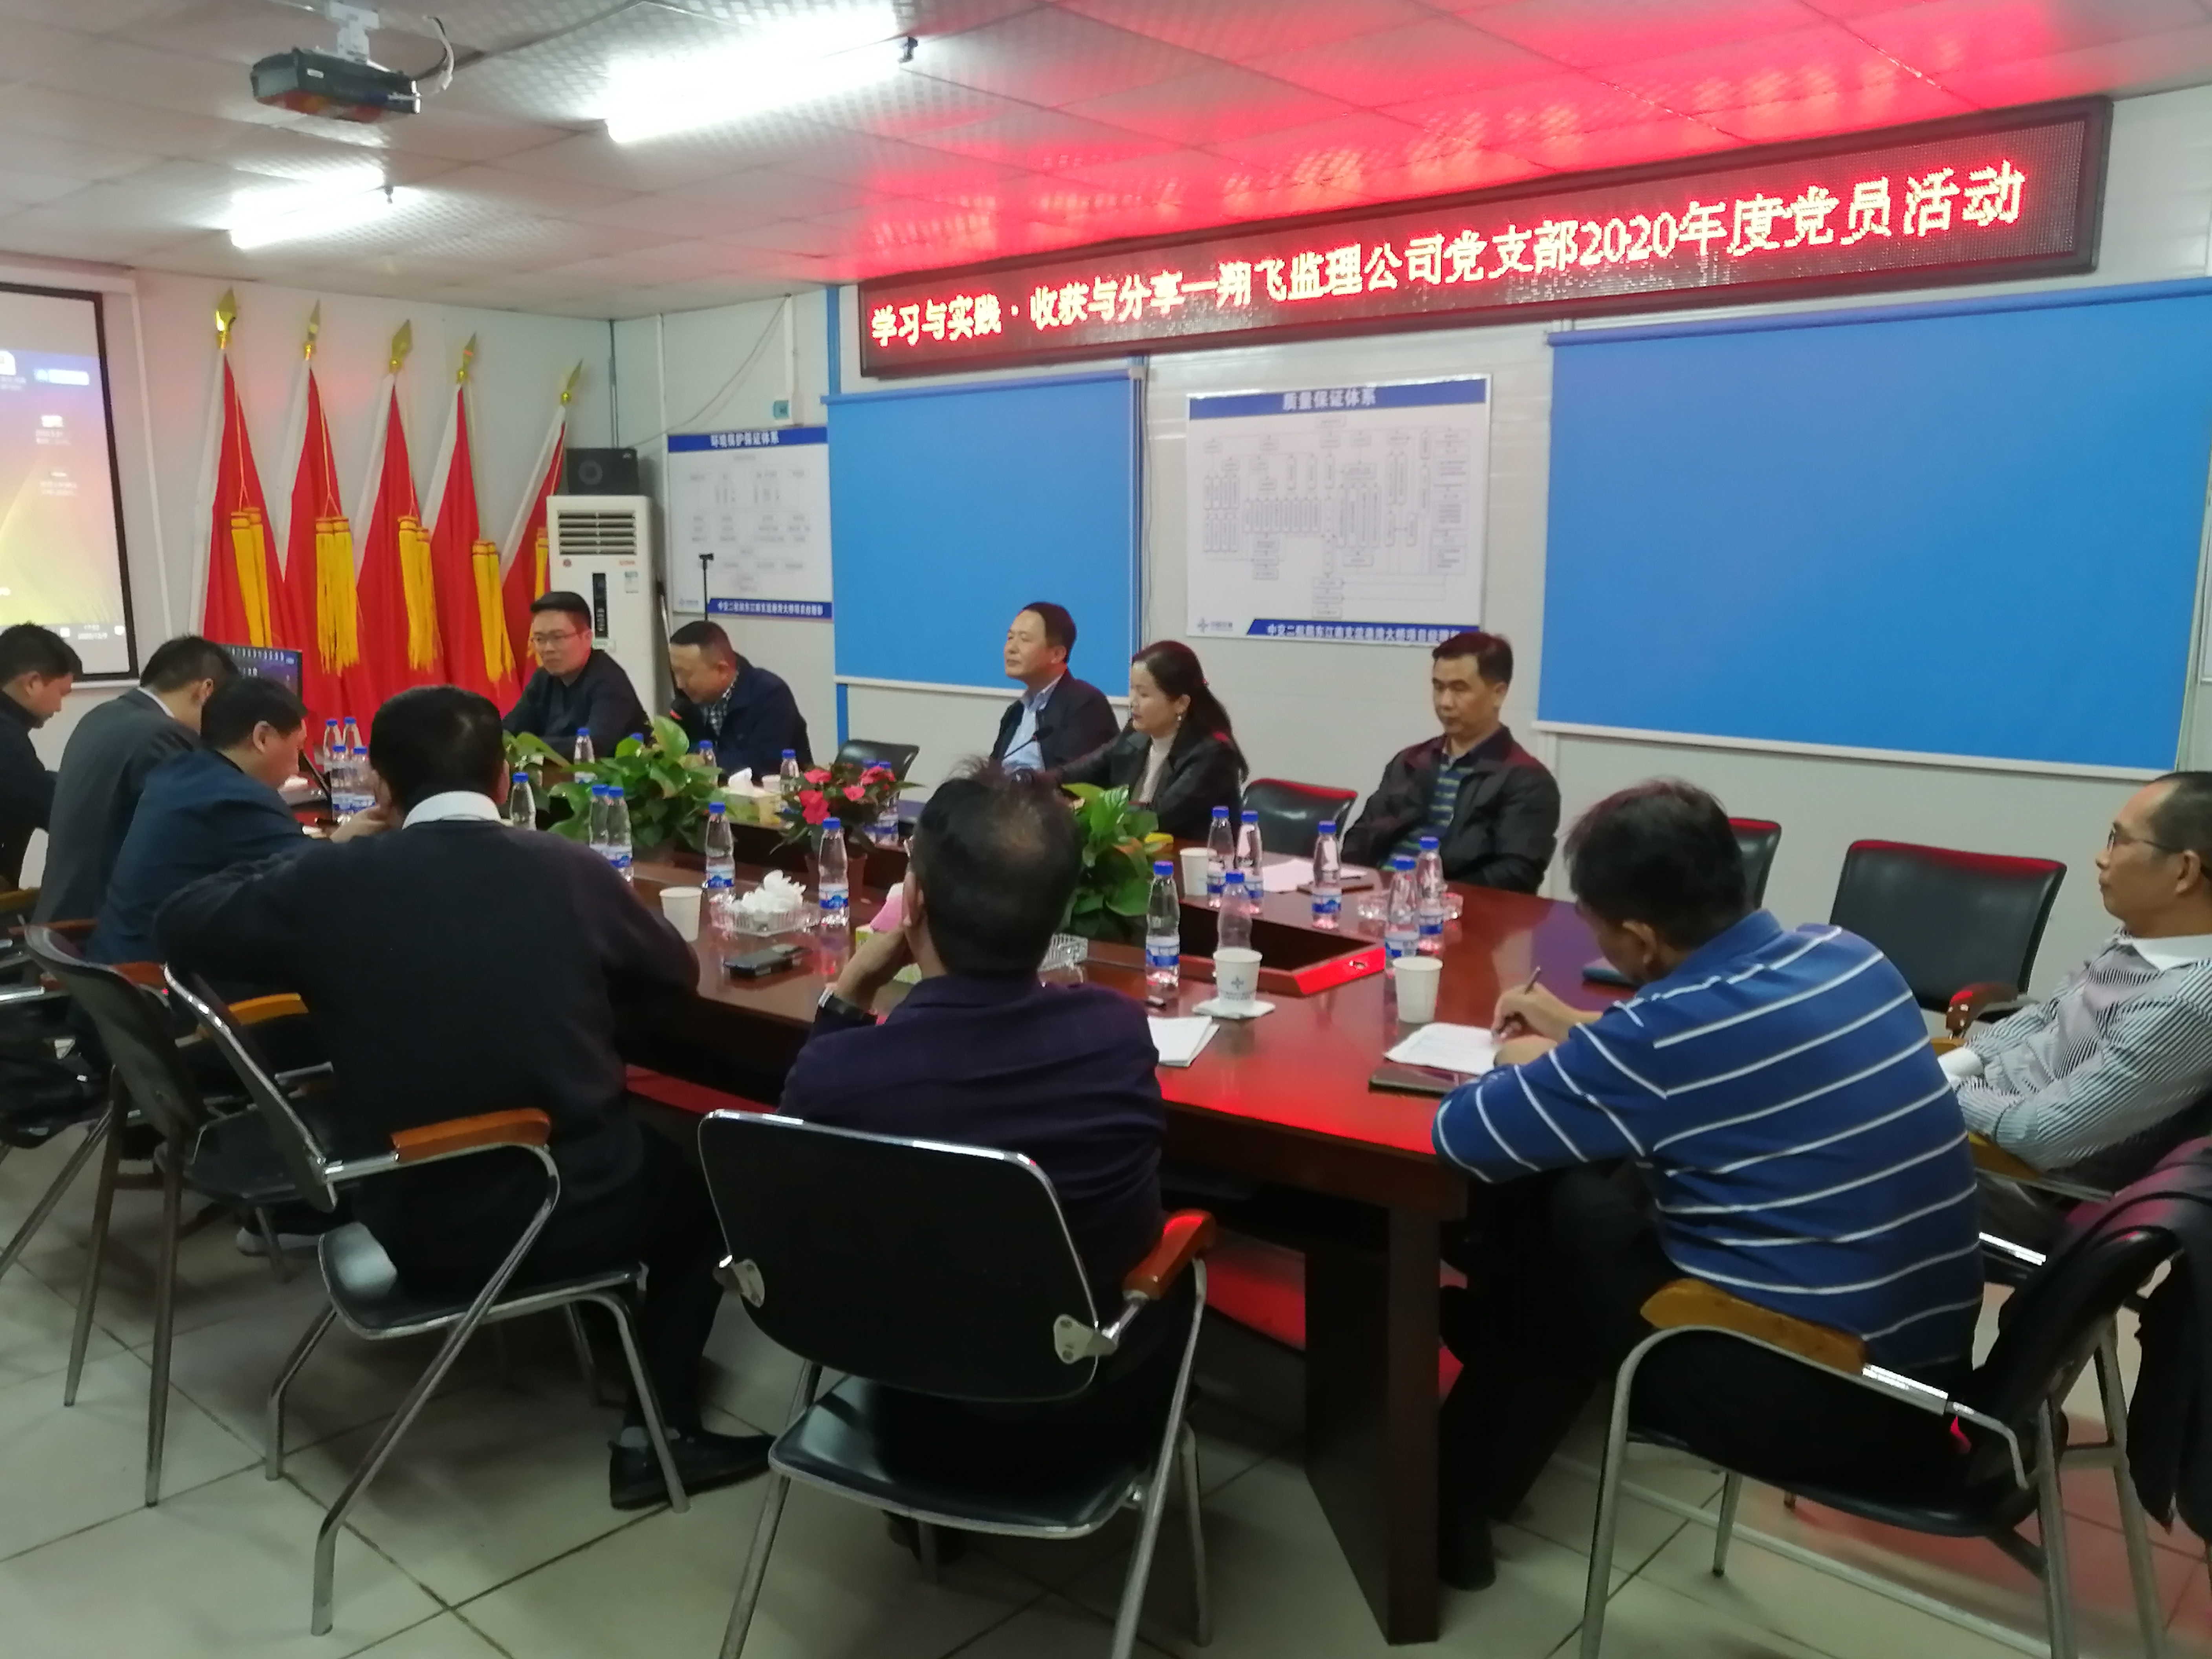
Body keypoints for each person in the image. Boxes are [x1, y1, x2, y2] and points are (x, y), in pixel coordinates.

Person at [156, 685, 769, 1509]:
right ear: (502, 773)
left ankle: (605, 1324)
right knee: (697, 1200)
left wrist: (329, 845)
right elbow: (670, 975)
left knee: (624, 1166)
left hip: (392, 1201)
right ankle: (658, 1439)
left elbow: (181, 921)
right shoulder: (563, 867)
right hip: (550, 1203)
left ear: (380, 783)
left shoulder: (328, 881)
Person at [1430, 780, 1981, 1591]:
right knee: (1580, 1220)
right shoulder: (1845, 956)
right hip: (1923, 1370)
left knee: (1550, 1203)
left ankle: (1443, 1493)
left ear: (1640, 940)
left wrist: (1526, 1064)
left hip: (1819, 1391)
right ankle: (1472, 1450)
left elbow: (1461, 1138)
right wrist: (1576, 1032)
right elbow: (1715, 1056)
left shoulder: (1662, 1036)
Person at [780, 762, 1179, 1559]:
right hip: (1090, 1411)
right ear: (1059, 911)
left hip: (901, 1406)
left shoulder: (838, 1074)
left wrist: (850, 989)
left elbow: (800, 1140)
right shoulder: (1113, 1032)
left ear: (913, 903)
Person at [1945, 772, 2212, 1216]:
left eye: (2119, 841)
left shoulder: (2185, 1002)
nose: (2101, 858)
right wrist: (1957, 1064)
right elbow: (2046, 1015)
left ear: (2183, 871)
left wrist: (1944, 1089)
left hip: (2023, 1184)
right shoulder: (2141, 937)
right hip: (1981, 1123)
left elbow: (2040, 1135)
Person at [89, 675, 333, 970]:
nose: (297, 766)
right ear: (262, 737)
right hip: (160, 980)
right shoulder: (238, 799)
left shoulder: (178, 770)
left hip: (117, 968)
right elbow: (319, 878)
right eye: (298, 748)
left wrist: (338, 840)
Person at [36, 635, 234, 924]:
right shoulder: (161, 735)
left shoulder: (103, 715)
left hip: (62, 916)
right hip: (97, 928)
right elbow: (197, 837)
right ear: (206, 691)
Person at [1341, 630, 1559, 893]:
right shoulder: (1410, 762)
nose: (1445, 703)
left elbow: (1516, 874)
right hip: (1380, 896)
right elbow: (1361, 835)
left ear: (1498, 694)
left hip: (1453, 906)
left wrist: (1434, 894)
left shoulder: (1528, 781)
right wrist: (1359, 887)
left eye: (1459, 689)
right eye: (1438, 687)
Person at [1052, 641, 1244, 841]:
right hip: (1135, 853)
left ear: (1181, 703)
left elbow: (1158, 817)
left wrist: (1087, 807)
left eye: (1144, 694)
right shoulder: (1134, 735)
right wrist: (1038, 784)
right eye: (1132, 689)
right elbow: (1076, 773)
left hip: (1188, 857)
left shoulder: (1213, 753)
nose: (1133, 702)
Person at [502, 591, 650, 761]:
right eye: (540, 639)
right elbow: (509, 730)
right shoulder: (543, 679)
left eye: (558, 637)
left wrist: (526, 745)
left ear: (587, 638)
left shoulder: (611, 682)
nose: (547, 648)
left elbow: (593, 747)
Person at [666, 619, 810, 779]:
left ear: (722, 670)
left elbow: (764, 765)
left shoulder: (771, 695)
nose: (679, 684)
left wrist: (699, 760)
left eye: (686, 674)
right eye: (675, 672)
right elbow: (672, 753)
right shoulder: (686, 703)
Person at [990, 602, 1119, 773]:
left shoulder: (1086, 705)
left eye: (1025, 639)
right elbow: (990, 773)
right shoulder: (1016, 712)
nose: (1011, 649)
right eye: (1010, 638)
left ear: (1057, 654)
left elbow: (1073, 779)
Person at [0, 624, 79, 889]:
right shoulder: (6, 739)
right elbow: (50, 808)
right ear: (32, 683)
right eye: (61, 693)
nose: (59, 707)